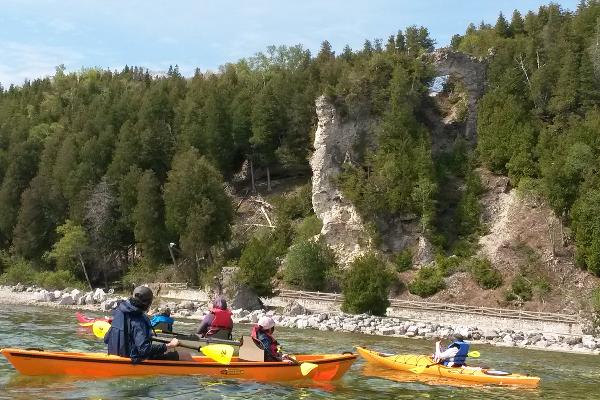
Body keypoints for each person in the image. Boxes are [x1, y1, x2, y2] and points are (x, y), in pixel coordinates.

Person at [105, 286, 188, 363]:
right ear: (148, 303)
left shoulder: (119, 312)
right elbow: (144, 349)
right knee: (184, 355)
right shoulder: (139, 320)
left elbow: (106, 338)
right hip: (132, 360)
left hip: (114, 357)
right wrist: (169, 345)